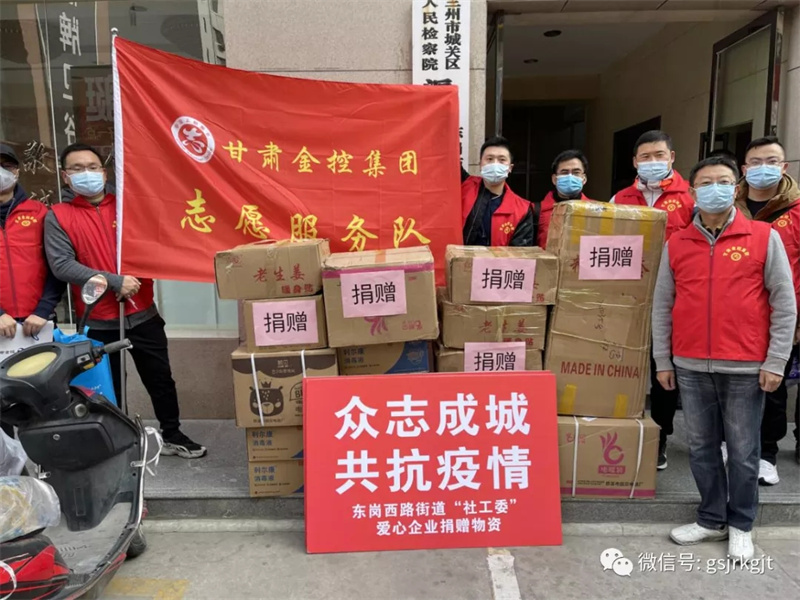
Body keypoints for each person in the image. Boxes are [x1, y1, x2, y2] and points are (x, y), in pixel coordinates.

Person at [653, 155, 796, 562]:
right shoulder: (678, 243)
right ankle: (711, 518)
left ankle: (741, 524)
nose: (714, 189)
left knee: (744, 451)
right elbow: (662, 305)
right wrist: (663, 359)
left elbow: (784, 303)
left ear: (735, 189)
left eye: (723, 182)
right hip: (690, 365)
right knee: (700, 448)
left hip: (746, 366)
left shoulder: (763, 236)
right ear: (693, 192)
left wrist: (776, 361)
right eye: (705, 183)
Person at [44, 143, 206, 459]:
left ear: (104, 172)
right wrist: (115, 281)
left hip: (143, 314)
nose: (86, 173)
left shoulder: (128, 206)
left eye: (92, 167)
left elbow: (152, 248)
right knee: (108, 387)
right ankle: (117, 445)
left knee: (160, 379)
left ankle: (172, 434)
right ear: (65, 177)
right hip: (98, 321)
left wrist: (135, 281)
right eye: (77, 168)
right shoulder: (58, 216)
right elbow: (62, 265)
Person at [612, 130, 695, 470]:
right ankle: (623, 431)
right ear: (635, 162)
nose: (652, 162)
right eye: (645, 157)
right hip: (628, 298)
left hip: (674, 299)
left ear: (672, 157)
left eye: (659, 155)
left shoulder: (690, 197)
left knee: (664, 371)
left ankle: (660, 437)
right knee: (625, 367)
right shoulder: (620, 198)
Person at [735, 136, 800, 479]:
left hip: (781, 316)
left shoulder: (797, 210)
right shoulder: (729, 206)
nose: (764, 168)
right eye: (756, 162)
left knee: (772, 385)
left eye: (772, 161)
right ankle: (731, 443)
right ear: (745, 169)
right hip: (735, 315)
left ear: (784, 167)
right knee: (732, 384)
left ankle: (767, 453)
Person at [0, 144, 64, 438]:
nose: (2, 172)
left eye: (6, 165)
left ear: (17, 171)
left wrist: (42, 311)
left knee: (41, 396)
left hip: (36, 324)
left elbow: (56, 268)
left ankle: (48, 458)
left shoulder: (40, 213)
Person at [461, 136, 535, 246]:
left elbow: (520, 251)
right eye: (489, 159)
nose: (495, 164)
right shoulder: (464, 185)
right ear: (480, 165)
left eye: (502, 160)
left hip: (499, 258)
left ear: (510, 168)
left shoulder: (522, 210)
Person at [537, 149, 595, 247]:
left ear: (584, 179)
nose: (570, 177)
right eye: (564, 172)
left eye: (576, 172)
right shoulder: (537, 211)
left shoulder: (596, 211)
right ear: (554, 179)